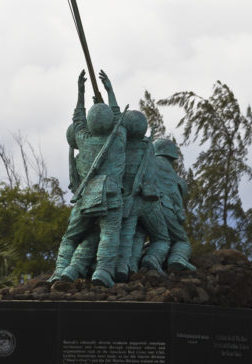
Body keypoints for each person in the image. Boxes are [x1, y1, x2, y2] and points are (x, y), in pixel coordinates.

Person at [49, 70, 126, 287]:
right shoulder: (119, 139)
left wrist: (80, 93)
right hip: (111, 195)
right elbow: (118, 118)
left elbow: (78, 121)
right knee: (109, 234)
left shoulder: (83, 141)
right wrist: (110, 92)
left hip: (86, 199)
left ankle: (60, 270)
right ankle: (103, 271)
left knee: (70, 237)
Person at [114, 110, 170, 281]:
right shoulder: (147, 148)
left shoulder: (117, 148)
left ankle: (127, 265)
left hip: (125, 201)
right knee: (162, 238)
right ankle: (151, 259)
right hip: (146, 202)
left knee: (133, 232)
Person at [152, 137, 195, 274]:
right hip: (166, 208)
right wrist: (179, 213)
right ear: (172, 155)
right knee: (181, 241)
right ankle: (177, 259)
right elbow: (176, 195)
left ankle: (146, 259)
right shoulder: (172, 175)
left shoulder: (146, 164)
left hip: (144, 207)